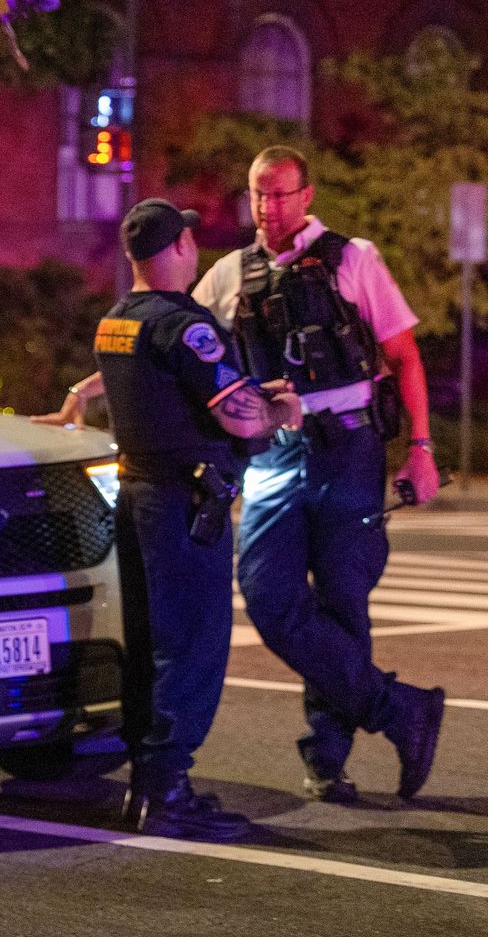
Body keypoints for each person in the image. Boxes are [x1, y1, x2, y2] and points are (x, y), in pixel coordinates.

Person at [43, 147, 446, 804]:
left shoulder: (354, 259)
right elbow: (160, 334)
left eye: (282, 194)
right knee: (267, 595)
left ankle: (328, 753)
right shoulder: (231, 272)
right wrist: (89, 386)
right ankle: (398, 710)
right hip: (274, 452)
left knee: (344, 598)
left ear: (307, 195)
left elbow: (403, 355)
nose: (269, 207)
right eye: (260, 194)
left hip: (348, 448)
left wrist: (422, 448)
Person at [93, 199, 303, 840]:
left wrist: (245, 396)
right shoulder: (185, 326)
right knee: (192, 645)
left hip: (138, 498)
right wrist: (277, 413)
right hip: (187, 507)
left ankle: (146, 784)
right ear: (180, 246)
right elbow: (235, 416)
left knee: (151, 644)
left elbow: (174, 397)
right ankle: (168, 791)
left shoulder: (116, 322)